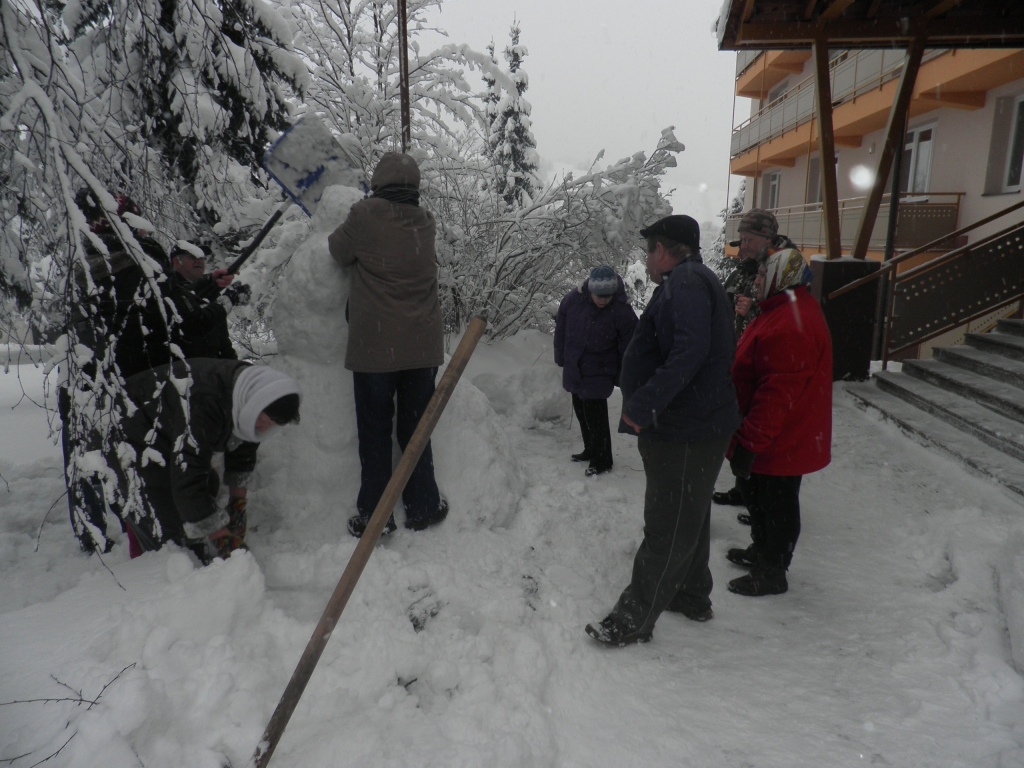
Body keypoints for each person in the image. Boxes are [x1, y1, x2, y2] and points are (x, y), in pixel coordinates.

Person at [585, 215, 742, 647]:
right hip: (695, 424)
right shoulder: (690, 280)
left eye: (647, 250)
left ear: (661, 250)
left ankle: (633, 619)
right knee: (690, 512)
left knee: (667, 524)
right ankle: (690, 594)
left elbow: (690, 351)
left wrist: (644, 404)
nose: (646, 259)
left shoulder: (687, 283)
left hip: (685, 427)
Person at [328, 152, 448, 538]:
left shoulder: (364, 215)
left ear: (378, 181)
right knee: (417, 428)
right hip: (422, 347)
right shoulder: (425, 222)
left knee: (375, 431)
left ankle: (375, 517)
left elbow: (337, 250)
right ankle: (423, 506)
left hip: (376, 347)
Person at [109, 358, 300, 561]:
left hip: (163, 434)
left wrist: (238, 505)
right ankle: (161, 566)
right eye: (263, 421)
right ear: (254, 405)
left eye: (270, 425)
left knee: (208, 485)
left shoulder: (250, 392)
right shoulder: (206, 400)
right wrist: (221, 538)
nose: (263, 428)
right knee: (164, 525)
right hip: (122, 432)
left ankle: (192, 548)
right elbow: (188, 475)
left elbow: (244, 444)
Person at [724, 247, 832, 597]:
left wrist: (750, 442)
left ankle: (773, 570)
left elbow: (776, 395)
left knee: (776, 503)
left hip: (780, 438)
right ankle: (763, 551)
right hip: (773, 434)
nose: (755, 282)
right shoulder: (782, 308)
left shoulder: (791, 325)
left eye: (761, 276)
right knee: (759, 496)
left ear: (780, 279)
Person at [170, 241, 257, 539]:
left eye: (202, 258)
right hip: (188, 388)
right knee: (195, 463)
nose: (199, 261)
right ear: (175, 262)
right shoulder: (169, 295)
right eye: (190, 256)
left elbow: (220, 339)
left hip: (216, 379)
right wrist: (226, 300)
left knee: (246, 425)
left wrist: (235, 375)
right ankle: (211, 533)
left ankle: (237, 503)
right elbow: (193, 324)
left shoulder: (201, 295)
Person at [713, 208, 778, 511]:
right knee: (740, 429)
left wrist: (753, 310)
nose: (744, 245)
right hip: (740, 361)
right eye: (742, 238)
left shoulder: (781, 269)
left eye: (750, 239)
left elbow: (784, 315)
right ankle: (744, 489)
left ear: (768, 239)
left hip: (765, 365)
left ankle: (762, 502)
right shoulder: (744, 268)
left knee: (759, 432)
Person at [554, 265, 638, 477]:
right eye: (599, 296)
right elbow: (561, 328)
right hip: (575, 364)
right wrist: (561, 356)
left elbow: (629, 345)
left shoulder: (621, 310)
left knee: (595, 414)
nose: (603, 300)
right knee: (581, 410)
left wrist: (624, 373)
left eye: (607, 296)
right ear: (590, 290)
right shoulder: (573, 300)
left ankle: (603, 459)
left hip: (601, 367)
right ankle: (590, 448)